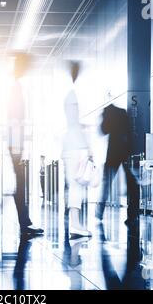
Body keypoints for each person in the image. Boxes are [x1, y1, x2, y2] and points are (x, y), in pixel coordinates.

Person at [7, 53, 44, 237]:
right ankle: (24, 223)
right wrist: (16, 147)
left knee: (20, 184)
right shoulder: (15, 87)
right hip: (15, 142)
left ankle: (25, 222)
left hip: (15, 142)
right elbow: (14, 119)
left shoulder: (16, 85)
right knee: (20, 184)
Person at [62, 61, 92, 238]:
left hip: (70, 146)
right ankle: (75, 224)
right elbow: (74, 121)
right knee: (76, 186)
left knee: (74, 186)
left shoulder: (69, 95)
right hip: (76, 146)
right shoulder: (73, 95)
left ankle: (75, 223)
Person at [95, 104, 140, 226]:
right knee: (131, 183)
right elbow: (129, 133)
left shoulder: (107, 112)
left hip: (113, 152)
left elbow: (103, 130)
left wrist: (102, 119)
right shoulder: (122, 112)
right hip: (125, 151)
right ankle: (133, 214)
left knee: (106, 182)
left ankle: (100, 210)